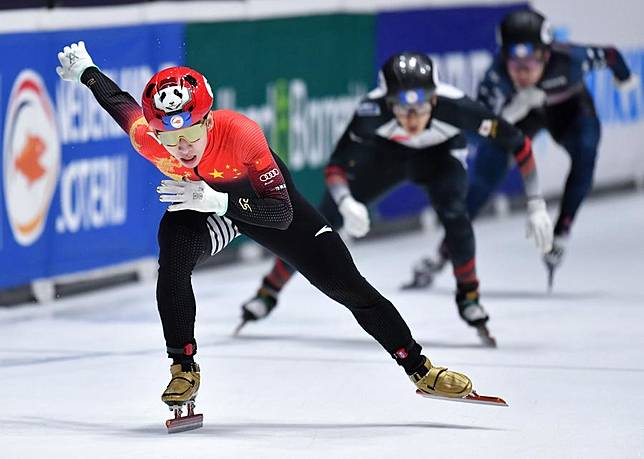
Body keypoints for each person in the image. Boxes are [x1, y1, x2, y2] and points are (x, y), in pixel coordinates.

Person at [56, 42, 484, 429]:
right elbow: (123, 106)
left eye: (190, 135)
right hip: (206, 209)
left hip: (267, 206)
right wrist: (88, 72)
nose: (181, 148)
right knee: (172, 259)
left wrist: (220, 201)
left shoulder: (241, 134)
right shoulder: (150, 140)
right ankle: (183, 367)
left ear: (208, 121)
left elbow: (280, 215)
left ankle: (420, 368)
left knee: (348, 287)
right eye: (170, 138)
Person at [239, 52, 553, 346]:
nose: (413, 117)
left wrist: (536, 203)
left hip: (440, 158)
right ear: (388, 103)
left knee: (456, 215)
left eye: (421, 106)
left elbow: (519, 143)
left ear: (435, 97)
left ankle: (469, 298)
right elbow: (336, 166)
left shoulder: (456, 107)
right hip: (389, 157)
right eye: (403, 108)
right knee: (322, 218)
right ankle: (269, 290)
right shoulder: (370, 112)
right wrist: (346, 200)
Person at [419, 9, 638, 289]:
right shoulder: (496, 77)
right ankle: (444, 252)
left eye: (530, 60)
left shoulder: (571, 60)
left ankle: (562, 233)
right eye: (514, 61)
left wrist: (625, 78)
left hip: (569, 111)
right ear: (503, 57)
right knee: (486, 178)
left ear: (546, 54)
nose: (522, 71)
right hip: (520, 118)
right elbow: (477, 132)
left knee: (586, 151)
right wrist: (511, 112)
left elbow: (610, 55)